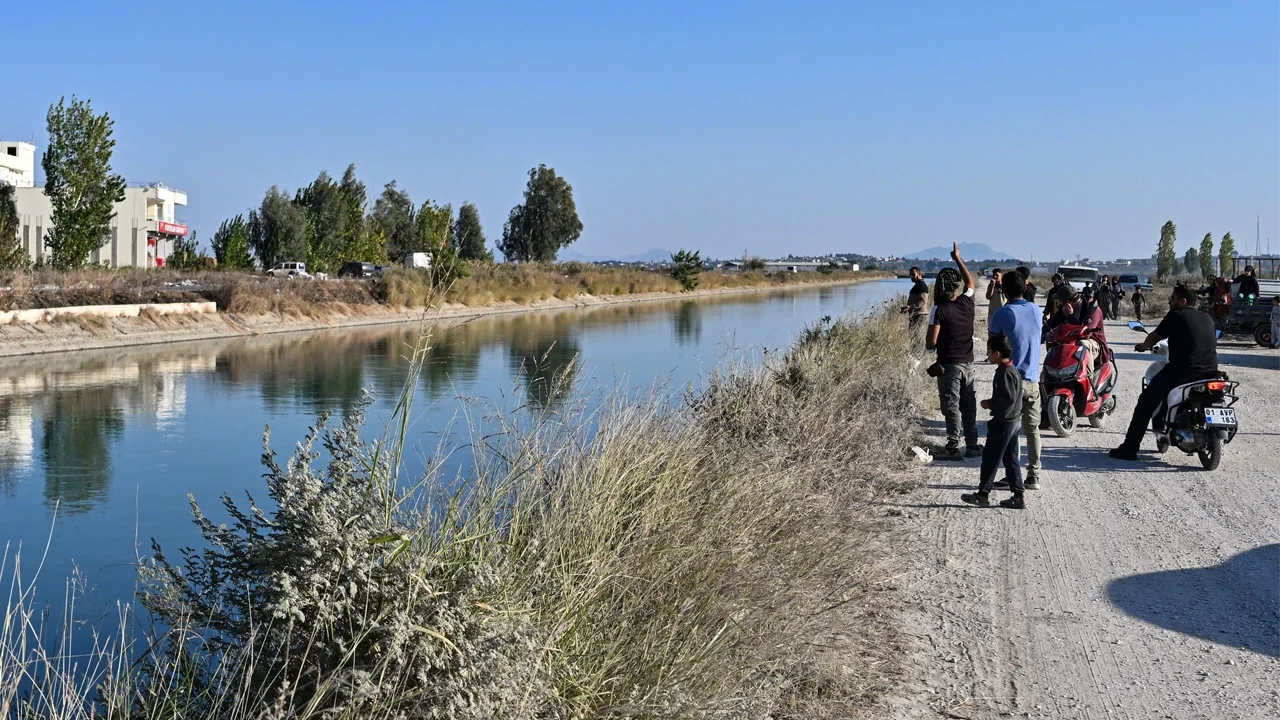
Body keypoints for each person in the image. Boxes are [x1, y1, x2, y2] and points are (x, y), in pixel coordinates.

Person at [1110, 285, 1219, 461]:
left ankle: (1129, 448)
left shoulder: (1176, 315)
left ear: (1183, 301)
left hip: (1182, 372)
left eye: (1173, 298)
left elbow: (1155, 337)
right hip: (1211, 372)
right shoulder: (1207, 317)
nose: (1169, 300)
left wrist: (1142, 346)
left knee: (1145, 402)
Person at [988, 270, 1043, 489]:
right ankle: (1034, 476)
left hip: (1012, 380)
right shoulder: (1037, 310)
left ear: (1004, 290)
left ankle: (1014, 476)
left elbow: (994, 347)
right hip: (1033, 378)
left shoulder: (1002, 314)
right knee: (1033, 430)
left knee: (1011, 431)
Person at [927, 243, 981, 460]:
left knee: (951, 407)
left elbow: (931, 343)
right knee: (968, 406)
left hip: (949, 366)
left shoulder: (938, 310)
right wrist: (958, 259)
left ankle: (953, 447)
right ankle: (973, 445)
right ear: (955, 288)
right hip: (968, 364)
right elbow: (971, 283)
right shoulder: (967, 302)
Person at [960, 336, 1026, 509]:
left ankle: (983, 495)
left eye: (989, 352)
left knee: (990, 458)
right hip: (1014, 421)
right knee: (1011, 459)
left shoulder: (1005, 372)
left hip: (1004, 422)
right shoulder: (1012, 369)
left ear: (997, 353)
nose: (987, 355)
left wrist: (990, 403)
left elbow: (1009, 398)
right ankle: (1018, 496)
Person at [1044, 284, 1107, 377]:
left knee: (1082, 343)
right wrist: (1040, 335)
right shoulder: (1065, 310)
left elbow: (1086, 333)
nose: (1059, 304)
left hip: (1094, 344)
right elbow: (1051, 323)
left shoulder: (1092, 309)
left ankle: (1087, 378)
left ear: (1067, 302)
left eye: (1060, 301)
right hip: (1070, 342)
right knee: (1052, 343)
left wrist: (1070, 316)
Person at [906, 266, 929, 331]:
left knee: (918, 339)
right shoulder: (917, 285)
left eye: (913, 274)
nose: (911, 277)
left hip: (920, 315)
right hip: (915, 315)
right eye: (910, 275)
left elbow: (922, 302)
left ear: (919, 274)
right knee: (913, 338)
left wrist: (910, 306)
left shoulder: (922, 286)